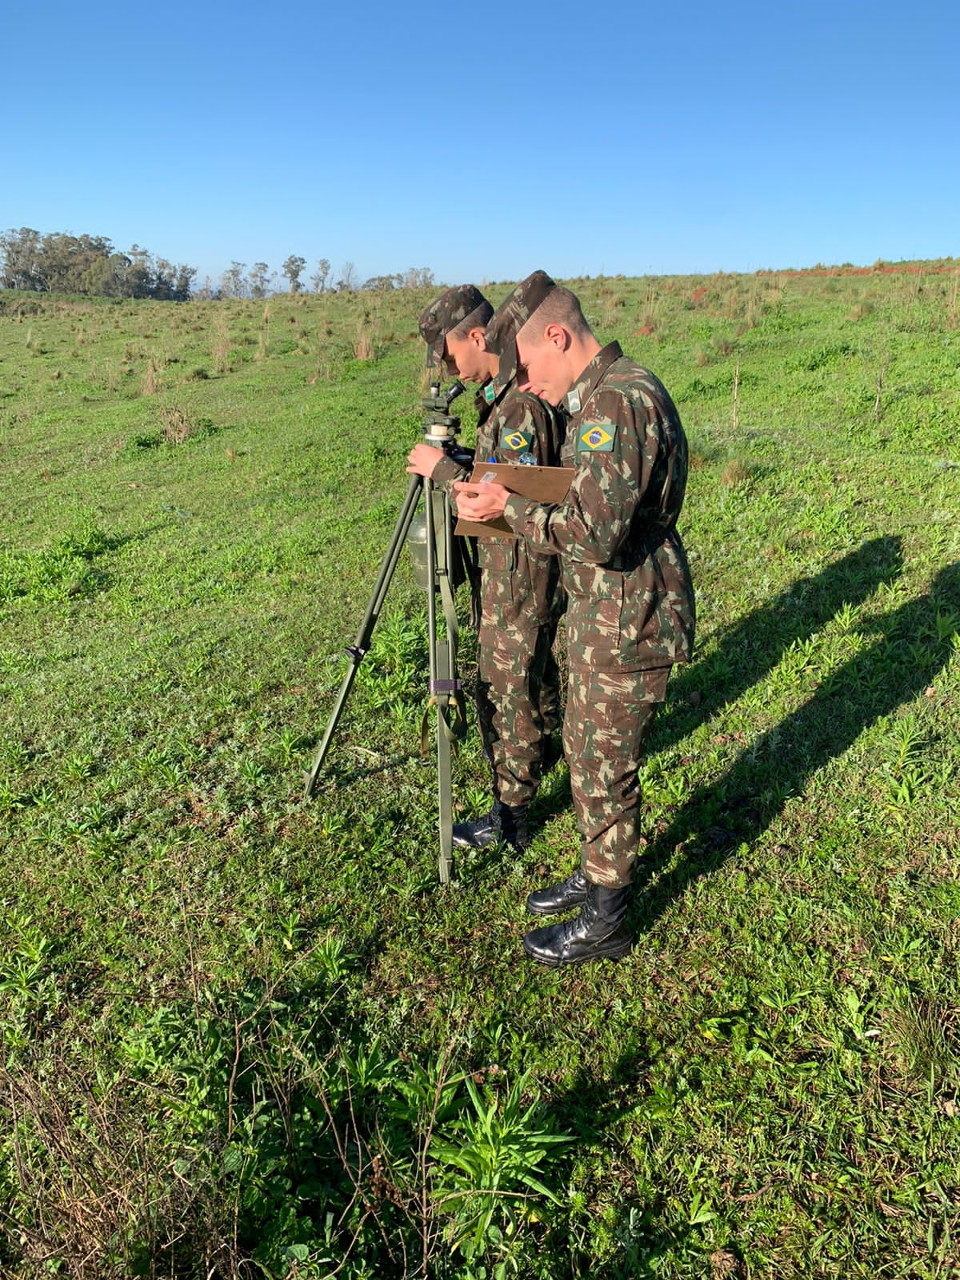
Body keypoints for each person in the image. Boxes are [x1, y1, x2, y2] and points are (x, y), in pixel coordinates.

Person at [454, 271, 695, 966]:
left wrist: (503, 509)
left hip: (630, 611)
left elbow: (593, 534)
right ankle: (598, 875)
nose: (524, 384)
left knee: (604, 762)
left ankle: (609, 917)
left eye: (527, 366)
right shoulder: (606, 398)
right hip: (608, 608)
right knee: (589, 752)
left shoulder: (616, 404)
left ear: (558, 336)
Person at [407, 285, 565, 852]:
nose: (449, 368)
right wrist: (469, 464)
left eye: (449, 354)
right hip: (514, 561)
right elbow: (508, 472)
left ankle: (513, 813)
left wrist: (446, 476)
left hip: (519, 565)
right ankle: (548, 754)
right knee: (530, 672)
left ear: (478, 336)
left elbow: (513, 494)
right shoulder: (505, 394)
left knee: (507, 685)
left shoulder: (519, 403)